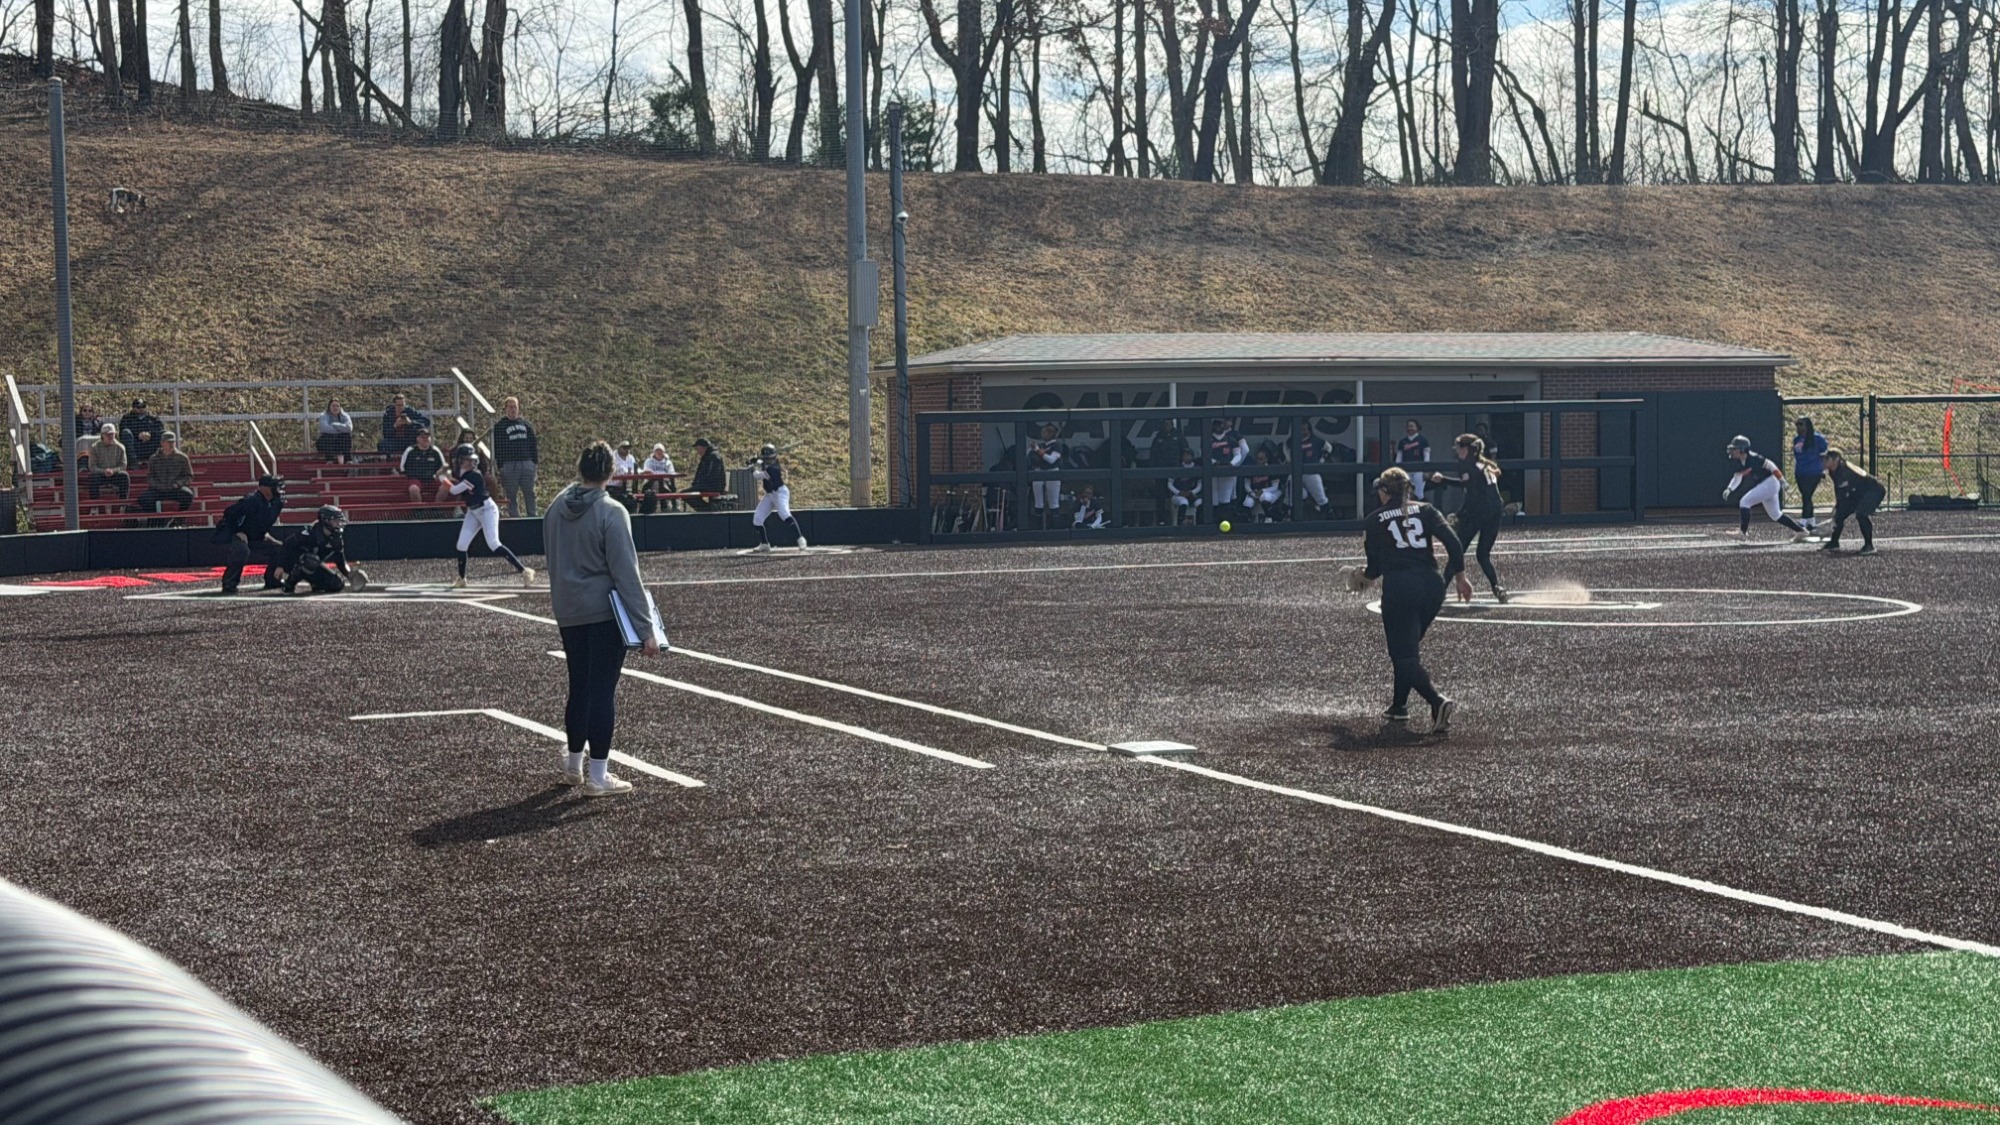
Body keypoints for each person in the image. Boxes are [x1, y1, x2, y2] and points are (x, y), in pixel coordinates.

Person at [545, 440, 664, 796]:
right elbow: (627, 574)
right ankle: (598, 774)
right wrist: (646, 629)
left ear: (580, 468)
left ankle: (573, 765)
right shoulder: (612, 512)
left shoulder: (554, 509)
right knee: (601, 691)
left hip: (568, 608)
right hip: (602, 612)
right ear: (611, 473)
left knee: (578, 686)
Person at [1351, 467, 1469, 732]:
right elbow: (1454, 543)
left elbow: (1375, 567)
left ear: (1384, 491)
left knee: (1404, 654)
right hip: (1432, 585)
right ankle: (1399, 705)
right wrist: (1460, 577)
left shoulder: (1374, 519)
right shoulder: (1426, 510)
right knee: (1407, 650)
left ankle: (1437, 701)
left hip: (1401, 588)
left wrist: (1361, 575)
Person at [1429, 433, 1509, 602]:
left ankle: (1440, 591)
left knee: (1457, 550)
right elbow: (1469, 485)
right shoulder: (1483, 464)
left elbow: (1471, 494)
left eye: (1460, 447)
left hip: (1480, 512)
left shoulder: (1469, 466)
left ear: (1468, 449)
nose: (1457, 451)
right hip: (1494, 512)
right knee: (1483, 554)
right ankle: (1496, 587)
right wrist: (1444, 480)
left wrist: (1460, 514)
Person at [445, 444, 533, 587]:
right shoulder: (462, 472)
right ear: (460, 460)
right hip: (473, 511)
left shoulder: (474, 475)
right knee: (461, 545)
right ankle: (462, 579)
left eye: (471, 460)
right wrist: (445, 473)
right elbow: (456, 479)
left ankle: (525, 571)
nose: (470, 462)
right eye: (467, 460)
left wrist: (442, 478)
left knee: (493, 543)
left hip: (487, 510)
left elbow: (454, 490)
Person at [1723, 435, 1810, 541]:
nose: (1732, 451)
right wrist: (1730, 488)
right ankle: (1801, 531)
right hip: (1768, 484)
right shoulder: (1740, 461)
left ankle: (1742, 533)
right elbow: (1738, 477)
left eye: (1735, 449)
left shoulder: (1754, 458)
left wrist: (1782, 480)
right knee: (1776, 515)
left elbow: (1771, 466)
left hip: (1769, 482)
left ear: (1742, 449)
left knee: (1744, 502)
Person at [213, 475, 286, 594]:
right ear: (263, 488)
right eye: (273, 486)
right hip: (237, 535)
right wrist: (237, 531)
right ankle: (229, 584)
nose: (276, 489)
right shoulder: (252, 500)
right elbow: (229, 513)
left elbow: (264, 521)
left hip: (257, 537)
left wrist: (263, 533)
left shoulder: (276, 503)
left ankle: (272, 580)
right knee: (242, 551)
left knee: (279, 548)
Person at [278, 506, 365, 594]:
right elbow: (287, 545)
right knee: (310, 560)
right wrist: (279, 565)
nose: (338, 523)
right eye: (335, 520)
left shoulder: (336, 539)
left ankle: (316, 583)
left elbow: (340, 561)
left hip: (314, 564)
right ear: (326, 520)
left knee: (337, 584)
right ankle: (289, 584)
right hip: (293, 563)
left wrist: (349, 574)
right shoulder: (310, 533)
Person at [1822, 448, 1885, 555]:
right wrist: (1838, 506)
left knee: (1861, 514)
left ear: (1836, 459)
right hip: (1858, 492)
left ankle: (1869, 546)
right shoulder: (1833, 471)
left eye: (1827, 458)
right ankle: (1834, 543)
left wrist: (1841, 504)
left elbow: (1847, 490)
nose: (1824, 461)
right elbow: (1840, 489)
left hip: (1873, 490)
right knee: (1839, 515)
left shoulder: (1845, 471)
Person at [751, 442, 808, 551]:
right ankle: (764, 544)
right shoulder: (766, 464)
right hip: (769, 495)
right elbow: (761, 463)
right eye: (766, 459)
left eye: (770, 459)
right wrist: (756, 461)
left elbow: (757, 475)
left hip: (780, 493)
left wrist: (754, 467)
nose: (768, 461)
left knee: (784, 514)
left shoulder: (774, 468)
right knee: (757, 519)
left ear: (774, 458)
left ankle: (801, 539)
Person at [493, 397, 541, 517]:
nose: (513, 409)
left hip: (526, 463)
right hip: (510, 464)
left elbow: (533, 444)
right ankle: (515, 518)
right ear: (505, 409)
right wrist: (500, 465)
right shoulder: (500, 426)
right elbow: (497, 446)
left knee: (529, 493)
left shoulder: (526, 425)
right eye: (510, 407)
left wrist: (534, 462)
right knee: (511, 494)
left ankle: (532, 516)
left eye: (515, 407)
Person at [134, 431, 195, 520]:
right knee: (144, 499)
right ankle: (155, 520)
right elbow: (150, 477)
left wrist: (178, 484)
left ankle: (179, 519)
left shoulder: (182, 458)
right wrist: (157, 485)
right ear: (162, 443)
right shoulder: (153, 459)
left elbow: (189, 476)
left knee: (188, 495)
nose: (171, 444)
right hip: (158, 490)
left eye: (173, 442)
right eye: (168, 442)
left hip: (175, 489)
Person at [1791, 415, 1829, 530]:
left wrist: (1823, 469)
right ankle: (1811, 521)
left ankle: (1803, 521)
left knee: (1807, 495)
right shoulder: (1796, 440)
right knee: (1806, 496)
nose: (1798, 427)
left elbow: (1824, 454)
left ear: (1807, 425)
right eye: (1797, 425)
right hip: (1800, 472)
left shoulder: (1817, 439)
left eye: (1801, 424)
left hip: (1813, 472)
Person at [1029, 423, 1066, 527]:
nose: (1042, 434)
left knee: (1053, 502)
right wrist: (1035, 450)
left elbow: (1051, 460)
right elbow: (1030, 457)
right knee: (1038, 502)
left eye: (1044, 432)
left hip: (1052, 472)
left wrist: (1039, 452)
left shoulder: (1057, 446)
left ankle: (1055, 528)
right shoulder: (1041, 445)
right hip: (1039, 472)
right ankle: (1038, 528)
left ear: (1050, 434)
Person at [1208, 419, 1248, 513]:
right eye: (1216, 425)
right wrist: (1214, 462)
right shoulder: (1208, 439)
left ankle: (1226, 519)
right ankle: (1214, 521)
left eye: (1220, 425)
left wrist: (1232, 464)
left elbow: (1238, 455)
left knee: (1225, 498)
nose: (1218, 427)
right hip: (1213, 471)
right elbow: (1204, 454)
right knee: (1214, 498)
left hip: (1227, 471)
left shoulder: (1231, 439)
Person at [400, 429, 447, 503]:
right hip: (415, 479)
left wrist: (440, 473)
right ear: (417, 438)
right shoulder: (410, 451)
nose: (426, 439)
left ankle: (437, 509)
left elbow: (442, 466)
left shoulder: (435, 451)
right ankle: (419, 511)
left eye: (427, 437)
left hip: (432, 479)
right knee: (413, 489)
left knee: (446, 486)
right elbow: (402, 468)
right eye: (423, 437)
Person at [1298, 421, 1334, 516]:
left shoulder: (1315, 440)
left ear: (1309, 430)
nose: (1302, 432)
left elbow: (1329, 448)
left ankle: (1330, 519)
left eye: (1304, 429)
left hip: (1312, 472)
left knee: (1321, 498)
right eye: (1300, 429)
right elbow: (1286, 447)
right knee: (1294, 496)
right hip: (1297, 472)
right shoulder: (1294, 440)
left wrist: (1322, 458)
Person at [85, 424, 130, 500]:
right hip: (101, 475)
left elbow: (123, 465)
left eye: (112, 434)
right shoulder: (95, 447)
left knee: (124, 476)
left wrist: (113, 471)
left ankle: (123, 503)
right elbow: (92, 466)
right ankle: (95, 504)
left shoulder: (121, 447)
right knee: (93, 478)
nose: (110, 436)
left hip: (115, 475)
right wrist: (103, 471)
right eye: (108, 434)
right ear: (102, 435)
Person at [1240, 448, 1286, 522]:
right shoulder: (1252, 468)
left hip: (1270, 492)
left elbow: (1275, 487)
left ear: (1266, 459)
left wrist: (1263, 490)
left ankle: (1269, 516)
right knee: (1248, 502)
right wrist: (1252, 493)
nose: (1258, 461)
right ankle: (1250, 521)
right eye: (1257, 459)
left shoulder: (1271, 468)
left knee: (1264, 497)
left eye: (1261, 459)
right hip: (1254, 493)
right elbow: (1247, 485)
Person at [687, 438, 728, 511]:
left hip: (713, 486)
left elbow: (713, 475)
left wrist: (699, 484)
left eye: (697, 448)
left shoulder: (713, 457)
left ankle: (706, 510)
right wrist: (695, 484)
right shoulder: (706, 457)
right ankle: (707, 509)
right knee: (687, 494)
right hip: (706, 484)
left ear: (703, 447)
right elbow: (699, 474)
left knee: (686, 494)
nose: (697, 451)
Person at [119, 399, 162, 465]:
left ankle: (159, 461)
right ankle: (133, 463)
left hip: (150, 444)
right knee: (126, 433)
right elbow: (123, 430)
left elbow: (160, 428)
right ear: (133, 408)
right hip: (135, 445)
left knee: (163, 434)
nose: (141, 409)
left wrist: (150, 434)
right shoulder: (127, 418)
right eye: (138, 407)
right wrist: (138, 435)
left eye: (143, 406)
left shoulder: (152, 418)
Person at [639, 443, 678, 513]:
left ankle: (666, 506)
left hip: (665, 482)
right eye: (657, 451)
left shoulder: (668, 462)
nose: (659, 452)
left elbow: (671, 473)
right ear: (654, 452)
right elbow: (646, 472)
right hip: (650, 483)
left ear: (664, 452)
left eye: (660, 451)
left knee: (662, 484)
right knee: (656, 483)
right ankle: (654, 504)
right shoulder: (649, 461)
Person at [1396, 420, 1431, 500]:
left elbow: (1426, 456)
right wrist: (1397, 470)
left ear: (1417, 428)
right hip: (1406, 470)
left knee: (1419, 493)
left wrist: (1426, 470)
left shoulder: (1423, 440)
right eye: (1408, 426)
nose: (1409, 428)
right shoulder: (1402, 442)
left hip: (1419, 470)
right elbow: (1399, 457)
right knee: (1406, 493)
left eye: (1412, 426)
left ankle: (1421, 509)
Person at [1168, 448, 1204, 525]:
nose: (1186, 457)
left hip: (1193, 494)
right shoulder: (1177, 467)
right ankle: (1180, 524)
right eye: (1184, 455)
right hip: (1179, 495)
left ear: (1192, 456)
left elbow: (1200, 484)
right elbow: (1169, 484)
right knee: (1184, 502)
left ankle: (1200, 524)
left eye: (1188, 455)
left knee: (1200, 503)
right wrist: (1178, 492)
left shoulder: (1197, 468)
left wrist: (1192, 492)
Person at [608, 441, 640, 512]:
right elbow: (620, 470)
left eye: (628, 448)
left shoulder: (631, 458)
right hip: (612, 486)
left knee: (632, 499)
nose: (627, 450)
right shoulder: (613, 456)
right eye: (624, 448)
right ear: (619, 448)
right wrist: (628, 472)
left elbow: (634, 470)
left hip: (626, 486)